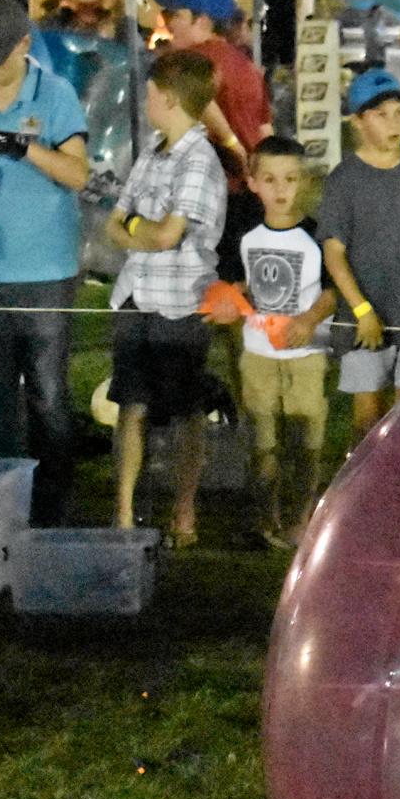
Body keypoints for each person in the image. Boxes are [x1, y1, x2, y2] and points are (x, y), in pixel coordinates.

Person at [0, 0, 90, 523]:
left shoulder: (54, 95)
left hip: (47, 270)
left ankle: (54, 505)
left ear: (23, 45)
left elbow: (78, 174)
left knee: (49, 395)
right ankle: (1, 505)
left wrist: (21, 146)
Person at [104, 51, 228, 545]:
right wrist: (141, 229)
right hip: (136, 296)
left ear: (170, 99)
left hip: (180, 300)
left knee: (184, 409)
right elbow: (121, 226)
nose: (145, 101)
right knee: (129, 404)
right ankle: (124, 511)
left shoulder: (199, 162)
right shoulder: (152, 152)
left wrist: (137, 228)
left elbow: (163, 235)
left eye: (151, 93)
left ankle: (184, 511)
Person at [215, 135, 334, 548]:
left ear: (303, 181)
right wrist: (231, 303)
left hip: (306, 354)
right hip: (259, 355)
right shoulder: (244, 236)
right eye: (270, 179)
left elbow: (335, 289)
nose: (281, 189)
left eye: (290, 179)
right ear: (253, 183)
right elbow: (235, 285)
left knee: (307, 443)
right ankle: (266, 519)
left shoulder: (318, 235)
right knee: (262, 443)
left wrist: (309, 319)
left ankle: (300, 520)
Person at [316, 69, 400, 438]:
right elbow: (334, 253)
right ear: (358, 121)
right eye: (381, 115)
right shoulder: (343, 180)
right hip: (365, 321)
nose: (393, 122)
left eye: (398, 112)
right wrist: (361, 309)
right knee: (367, 421)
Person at [156, 0, 269, 193]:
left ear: (203, 21)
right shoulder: (248, 66)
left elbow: (202, 99)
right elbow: (264, 129)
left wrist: (232, 145)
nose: (169, 23)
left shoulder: (189, 61)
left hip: (212, 184)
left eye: (178, 15)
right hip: (249, 187)